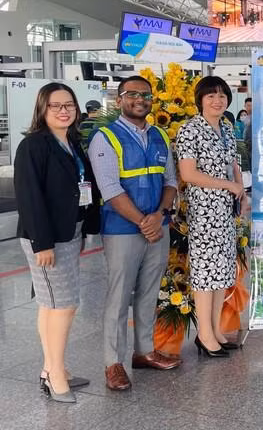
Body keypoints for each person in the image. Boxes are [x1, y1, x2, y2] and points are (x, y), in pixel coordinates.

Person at [88, 76, 180, 391]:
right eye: (132, 94)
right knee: (119, 296)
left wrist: (161, 215)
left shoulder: (160, 136)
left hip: (158, 226)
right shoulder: (105, 138)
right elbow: (110, 189)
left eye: (145, 95)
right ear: (119, 100)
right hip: (122, 230)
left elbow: (170, 181)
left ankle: (144, 352)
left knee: (149, 292)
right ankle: (113, 363)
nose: (140, 99)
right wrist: (145, 222)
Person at [15, 83, 100, 403]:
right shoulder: (33, 145)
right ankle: (55, 376)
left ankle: (52, 368)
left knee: (51, 304)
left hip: (69, 231)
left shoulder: (72, 142)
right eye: (56, 106)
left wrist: (85, 228)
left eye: (69, 105)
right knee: (64, 305)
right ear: (42, 109)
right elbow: (29, 197)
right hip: (47, 237)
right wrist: (43, 244)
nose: (64, 111)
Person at [176, 76, 245, 358]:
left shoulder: (226, 127)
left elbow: (233, 162)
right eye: (211, 96)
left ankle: (215, 329)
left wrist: (240, 187)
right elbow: (188, 173)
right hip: (205, 211)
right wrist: (228, 185)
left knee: (221, 271)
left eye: (222, 96)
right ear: (200, 100)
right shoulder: (190, 129)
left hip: (226, 210)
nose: (217, 101)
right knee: (206, 273)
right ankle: (204, 334)